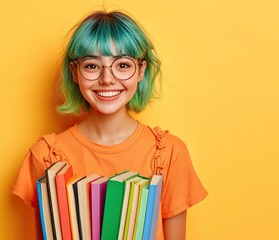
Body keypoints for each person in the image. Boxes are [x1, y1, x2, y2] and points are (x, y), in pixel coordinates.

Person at [12, 10, 207, 240]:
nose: (107, 78)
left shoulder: (169, 153)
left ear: (141, 71)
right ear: (75, 72)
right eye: (92, 66)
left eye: (123, 65)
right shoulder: (45, 156)